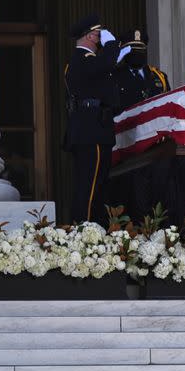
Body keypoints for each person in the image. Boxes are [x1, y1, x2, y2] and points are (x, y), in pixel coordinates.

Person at [63, 14, 120, 223]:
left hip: (95, 129)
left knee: (98, 186)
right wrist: (113, 45)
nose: (100, 40)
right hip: (91, 131)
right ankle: (83, 230)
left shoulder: (90, 62)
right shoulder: (82, 59)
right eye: (98, 35)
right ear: (88, 37)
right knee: (89, 186)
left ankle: (94, 228)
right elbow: (105, 65)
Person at [114, 28, 171, 112]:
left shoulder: (159, 77)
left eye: (140, 49)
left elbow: (168, 104)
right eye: (133, 50)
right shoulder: (114, 76)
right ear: (125, 52)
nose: (137, 53)